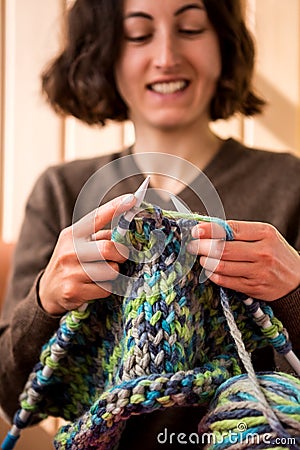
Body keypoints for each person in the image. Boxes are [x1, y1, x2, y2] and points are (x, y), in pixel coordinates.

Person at [0, 0, 299, 448]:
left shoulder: (289, 183)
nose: (166, 56)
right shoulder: (62, 190)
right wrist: (44, 300)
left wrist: (295, 292)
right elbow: (11, 394)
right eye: (139, 35)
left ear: (223, 46)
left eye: (191, 28)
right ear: (106, 54)